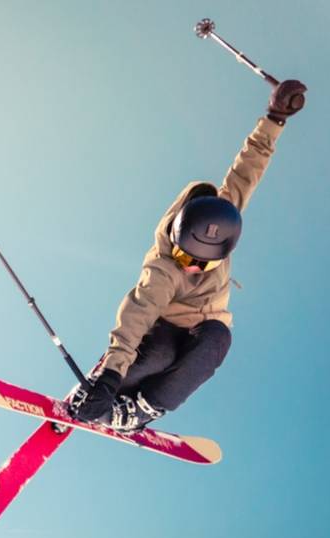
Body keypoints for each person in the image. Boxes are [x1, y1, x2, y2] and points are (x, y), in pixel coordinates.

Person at [69, 79, 307, 433]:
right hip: (163, 327)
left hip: (204, 328)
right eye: (186, 256)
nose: (193, 267)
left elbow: (248, 168)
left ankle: (142, 410)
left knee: (217, 341)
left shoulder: (224, 214)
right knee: (158, 356)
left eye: (203, 263)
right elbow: (137, 314)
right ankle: (104, 392)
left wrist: (275, 117)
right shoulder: (164, 266)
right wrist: (109, 377)